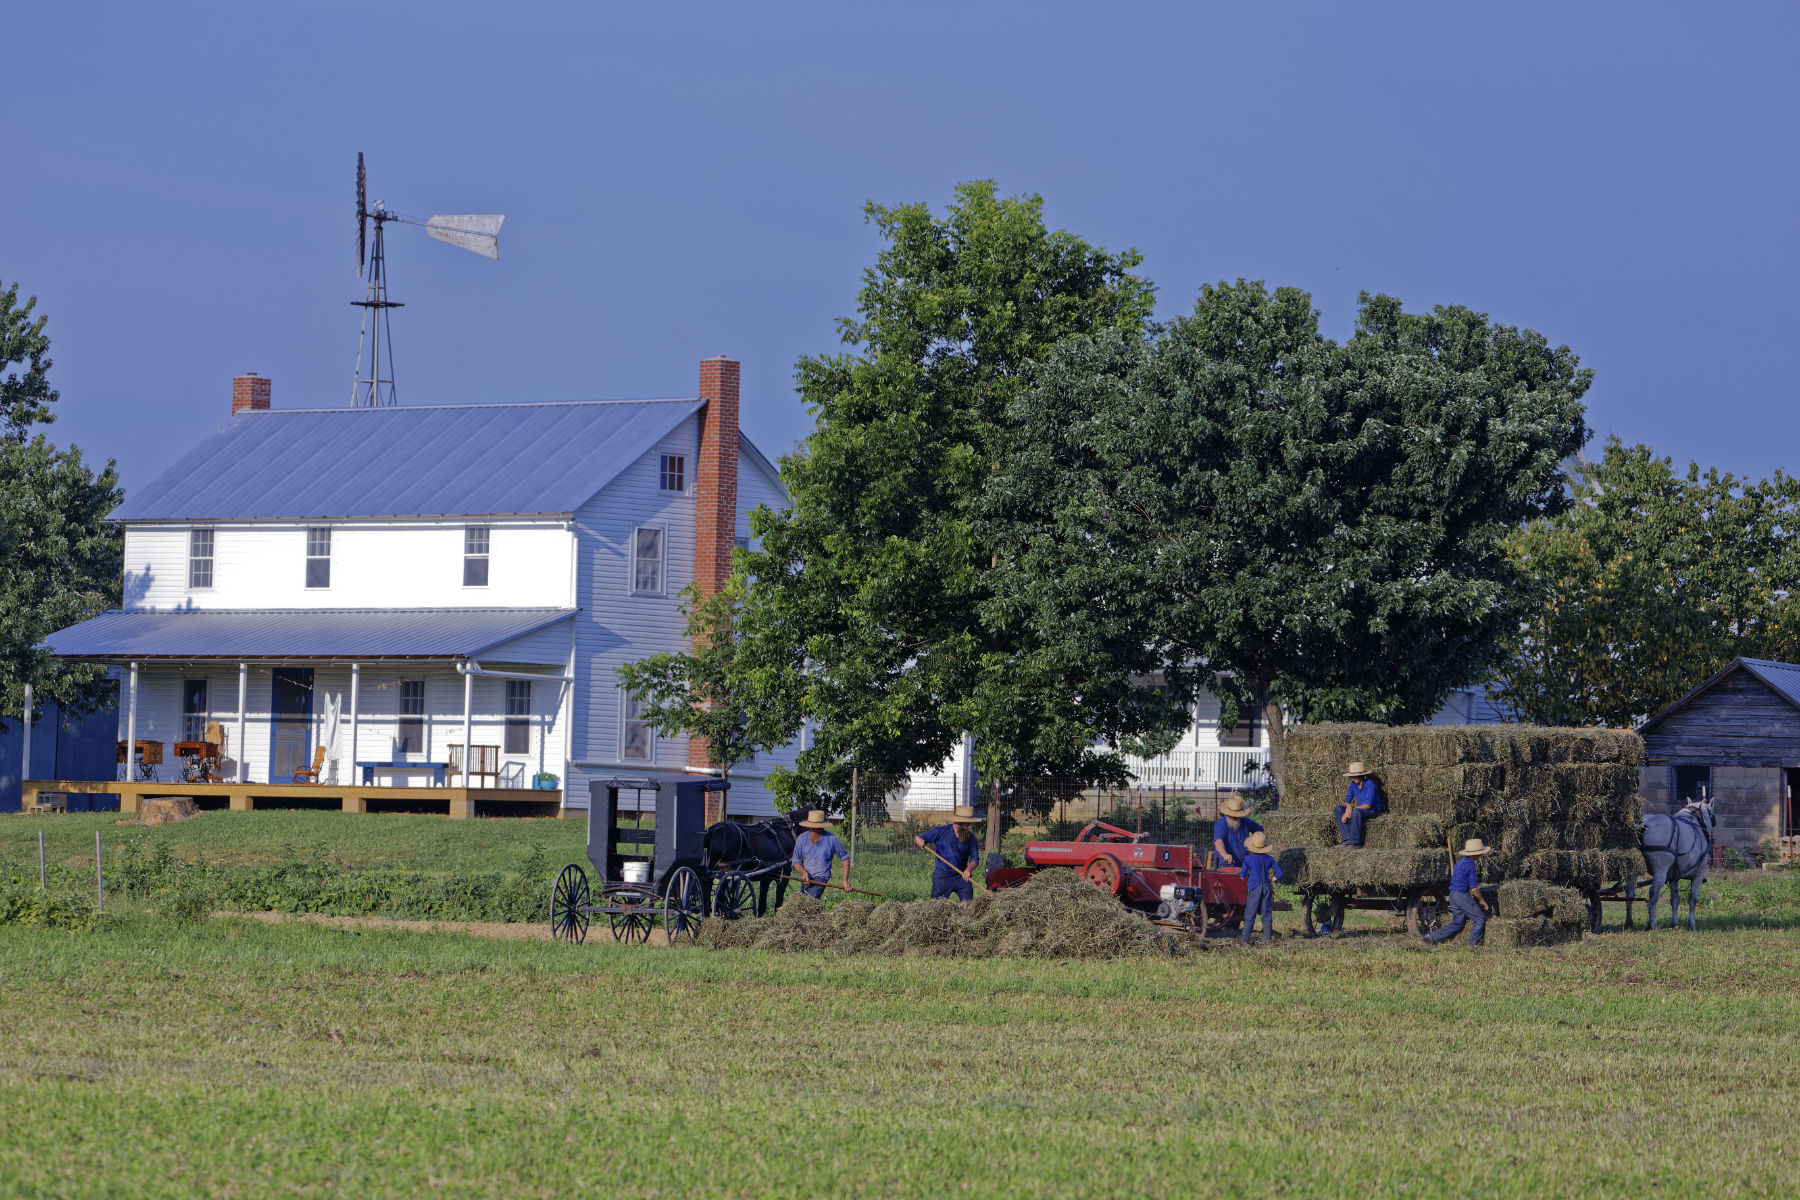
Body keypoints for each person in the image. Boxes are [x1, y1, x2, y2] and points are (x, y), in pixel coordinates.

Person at [1424, 838, 1492, 946]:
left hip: (1453, 895)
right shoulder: (1471, 865)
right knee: (1479, 918)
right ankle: (1472, 947)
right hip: (1461, 895)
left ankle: (1432, 937)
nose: (1481, 855)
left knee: (1458, 923)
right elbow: (1474, 888)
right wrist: (1482, 900)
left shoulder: (1460, 862)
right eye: (1480, 853)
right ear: (1475, 854)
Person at [913, 805, 983, 900]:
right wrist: (918, 839)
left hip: (961, 876)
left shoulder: (971, 837)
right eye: (968, 823)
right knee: (937, 907)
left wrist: (968, 870)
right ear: (959, 821)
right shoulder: (941, 831)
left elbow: (975, 859)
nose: (970, 824)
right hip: (942, 876)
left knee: (969, 906)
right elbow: (920, 838)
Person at [790, 809, 850, 900]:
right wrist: (803, 872)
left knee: (809, 903)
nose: (813, 830)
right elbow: (795, 861)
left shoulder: (831, 839)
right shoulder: (802, 838)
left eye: (817, 828)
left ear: (822, 827)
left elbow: (845, 858)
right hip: (806, 878)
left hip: (821, 878)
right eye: (812, 827)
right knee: (802, 903)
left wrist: (845, 880)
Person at [1237, 831, 1283, 945]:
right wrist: (1273, 878)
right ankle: (1267, 938)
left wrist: (1244, 876)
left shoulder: (1248, 859)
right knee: (1266, 912)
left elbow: (1242, 875)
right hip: (1266, 887)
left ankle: (1245, 939)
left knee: (1250, 913)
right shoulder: (1269, 859)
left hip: (1255, 887)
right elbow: (1280, 873)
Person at [1337, 761, 1384, 846]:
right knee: (1338, 809)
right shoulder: (1353, 784)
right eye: (1352, 776)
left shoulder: (1370, 784)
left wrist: (1352, 810)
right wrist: (1348, 807)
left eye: (1356, 776)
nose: (1354, 778)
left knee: (1356, 812)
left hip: (1373, 810)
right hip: (1360, 809)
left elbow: (1368, 805)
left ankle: (1355, 843)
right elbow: (1346, 800)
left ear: (1362, 775)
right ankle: (1347, 839)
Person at [1209, 795, 1263, 869]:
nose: (1232, 818)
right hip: (1226, 864)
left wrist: (1255, 845)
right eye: (1230, 816)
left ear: (1240, 815)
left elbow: (1260, 831)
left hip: (1244, 862)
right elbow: (1218, 841)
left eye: (1235, 817)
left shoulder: (1246, 822)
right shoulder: (1220, 824)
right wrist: (1224, 854)